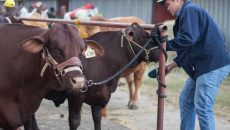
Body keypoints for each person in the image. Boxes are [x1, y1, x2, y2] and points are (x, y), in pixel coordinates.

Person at [155, 0, 230, 130]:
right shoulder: (185, 14)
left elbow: (188, 39)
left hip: (211, 66)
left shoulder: (189, 10)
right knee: (185, 101)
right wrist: (170, 66)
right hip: (202, 68)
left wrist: (163, 46)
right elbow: (189, 48)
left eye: (168, 4)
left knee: (203, 107)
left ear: (177, 0)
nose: (167, 8)